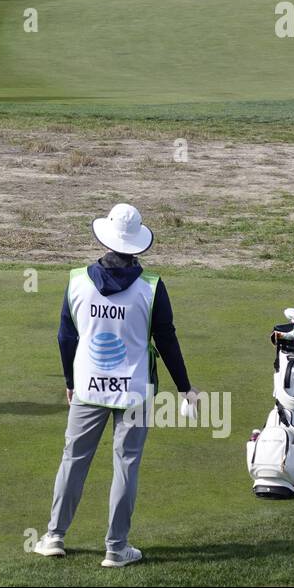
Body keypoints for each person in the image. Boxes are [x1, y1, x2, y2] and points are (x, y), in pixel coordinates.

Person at [33, 203, 198, 566]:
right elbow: (166, 339)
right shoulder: (152, 287)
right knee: (126, 464)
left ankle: (54, 537)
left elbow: (65, 337)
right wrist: (186, 387)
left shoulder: (77, 280)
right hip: (134, 391)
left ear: (105, 238)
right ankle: (116, 548)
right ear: (138, 245)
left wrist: (69, 381)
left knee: (73, 461)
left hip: (88, 388)